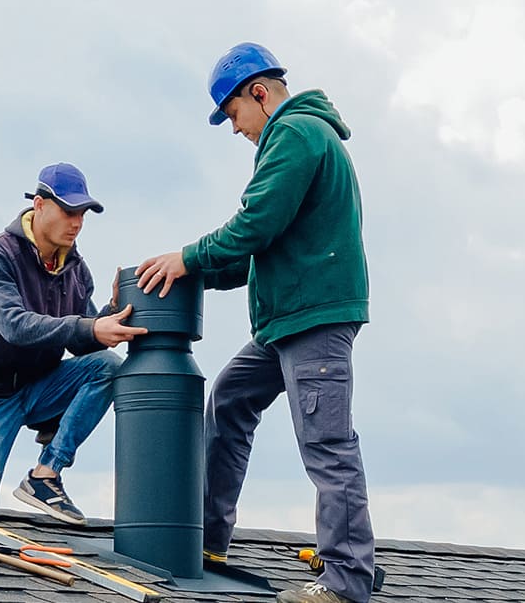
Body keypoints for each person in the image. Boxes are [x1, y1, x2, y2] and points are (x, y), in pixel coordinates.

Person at [136, 43, 375, 603]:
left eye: (235, 114)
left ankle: (346, 581)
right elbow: (255, 253)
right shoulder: (299, 137)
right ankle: (208, 538)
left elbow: (256, 224)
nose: (237, 128)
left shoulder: (295, 134)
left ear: (259, 94)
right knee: (231, 398)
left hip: (313, 320)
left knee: (327, 444)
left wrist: (188, 256)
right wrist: (191, 276)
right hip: (283, 322)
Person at [0, 162, 145, 524]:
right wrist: (90, 328)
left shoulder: (77, 269)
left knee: (107, 367)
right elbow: (15, 326)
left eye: (83, 214)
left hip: (41, 386)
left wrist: (112, 311)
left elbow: (84, 342)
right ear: (39, 205)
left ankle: (46, 474)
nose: (77, 223)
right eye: (69, 212)